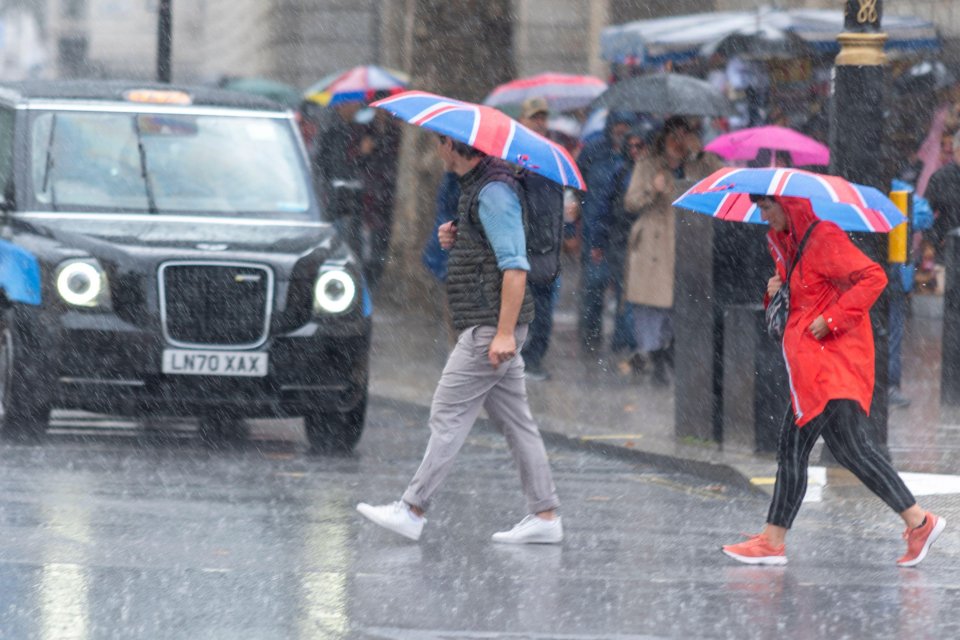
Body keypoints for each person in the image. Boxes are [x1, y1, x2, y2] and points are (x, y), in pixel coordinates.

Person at [357, 135, 562, 545]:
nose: (436, 150)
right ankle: (545, 514)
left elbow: (515, 266)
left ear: (454, 146)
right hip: (491, 323)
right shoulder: (482, 188)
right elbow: (490, 249)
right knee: (517, 423)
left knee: (448, 412)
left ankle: (413, 509)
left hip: (489, 326)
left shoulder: (494, 193)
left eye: (439, 143)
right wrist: (459, 236)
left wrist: (503, 333)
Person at [721, 195, 945, 567]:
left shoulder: (822, 237)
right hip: (815, 364)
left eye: (767, 206)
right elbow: (802, 299)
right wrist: (775, 290)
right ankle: (918, 521)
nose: (762, 215)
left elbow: (874, 277)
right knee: (848, 450)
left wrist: (833, 319)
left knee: (800, 447)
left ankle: (773, 541)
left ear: (787, 205)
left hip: (830, 364)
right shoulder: (785, 243)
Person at [622, 116, 723, 385]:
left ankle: (669, 354)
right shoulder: (648, 164)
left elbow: (724, 183)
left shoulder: (701, 163)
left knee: (682, 305)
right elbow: (631, 203)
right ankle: (655, 360)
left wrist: (699, 152)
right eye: (673, 135)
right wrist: (651, 189)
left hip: (689, 242)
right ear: (664, 138)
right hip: (654, 247)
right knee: (652, 309)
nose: (678, 142)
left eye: (684, 135)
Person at [517, 97, 562, 381]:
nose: (540, 123)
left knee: (544, 309)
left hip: (547, 244)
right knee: (524, 306)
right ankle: (523, 359)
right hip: (522, 242)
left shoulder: (554, 155)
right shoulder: (515, 155)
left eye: (543, 117)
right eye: (535, 117)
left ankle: (534, 358)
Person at [312, 100, 365, 257]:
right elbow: (325, 162)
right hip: (335, 196)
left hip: (350, 195)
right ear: (343, 106)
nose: (356, 108)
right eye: (353, 104)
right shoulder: (332, 129)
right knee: (338, 239)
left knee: (352, 240)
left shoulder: (356, 129)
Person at [923, 129, 960, 261]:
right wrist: (935, 240)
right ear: (956, 151)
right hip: (948, 251)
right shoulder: (940, 178)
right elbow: (925, 213)